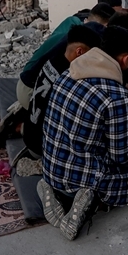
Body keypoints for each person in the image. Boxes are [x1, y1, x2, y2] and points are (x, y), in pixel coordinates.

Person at [39, 26, 128, 240]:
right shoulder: (116, 95)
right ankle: (89, 200)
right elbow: (120, 156)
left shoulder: (69, 72)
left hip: (51, 165)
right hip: (79, 177)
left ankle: (50, 187)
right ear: (127, 59)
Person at [22, 24, 101, 158]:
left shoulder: (53, 61)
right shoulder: (68, 77)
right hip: (42, 147)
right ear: (80, 52)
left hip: (29, 133)